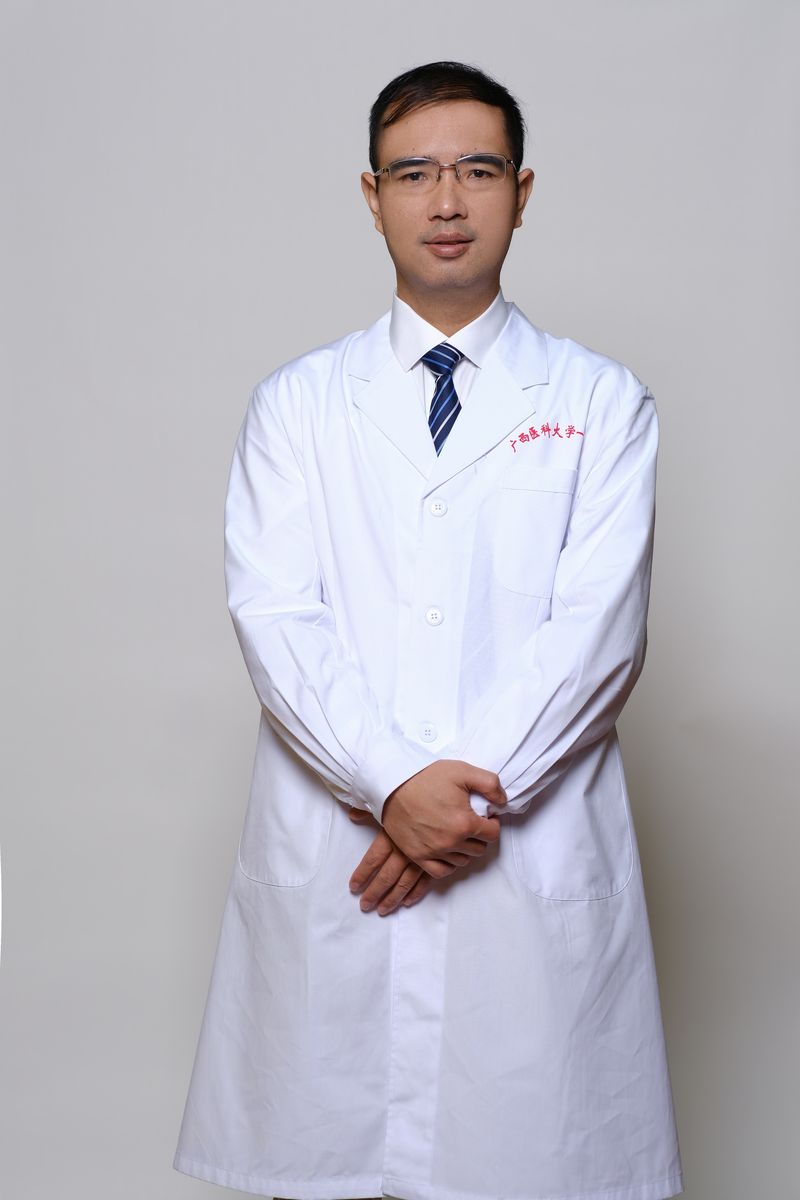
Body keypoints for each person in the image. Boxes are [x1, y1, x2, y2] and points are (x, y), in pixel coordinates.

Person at [173, 60, 684, 1200]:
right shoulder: (298, 405)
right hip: (344, 864)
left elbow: (596, 637)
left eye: (476, 170)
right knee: (335, 1166)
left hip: (521, 865)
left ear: (521, 191)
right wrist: (392, 782)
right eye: (413, 174)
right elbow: (276, 618)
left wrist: (448, 808)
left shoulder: (600, 403)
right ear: (372, 196)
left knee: (525, 1164)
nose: (446, 201)